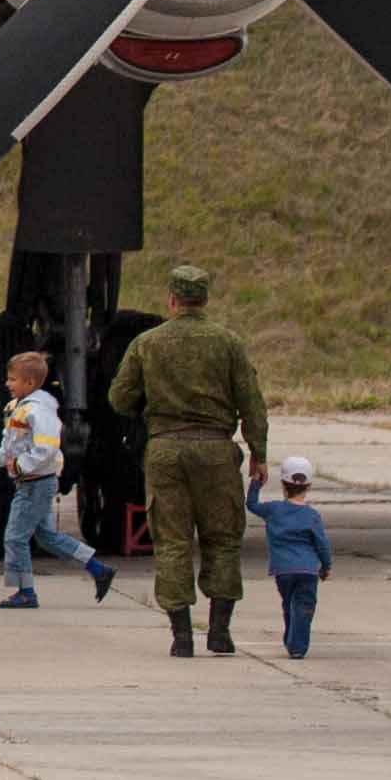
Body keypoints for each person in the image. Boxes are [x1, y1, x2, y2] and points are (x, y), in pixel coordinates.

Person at [106, 261, 270, 658]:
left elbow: (119, 399)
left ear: (172, 299)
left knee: (173, 541)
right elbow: (251, 402)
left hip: (165, 451)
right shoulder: (228, 342)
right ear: (205, 299)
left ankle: (181, 635)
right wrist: (259, 453)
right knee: (223, 539)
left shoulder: (147, 343)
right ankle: (219, 632)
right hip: (216, 451)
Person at [0, 343, 99, 607]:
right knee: (47, 537)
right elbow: (14, 443)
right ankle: (98, 568)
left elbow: (46, 448)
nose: (7, 383)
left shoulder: (39, 411)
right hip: (29, 482)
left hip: (36, 483)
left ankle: (26, 592)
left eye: (12, 379)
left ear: (29, 382)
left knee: (15, 538)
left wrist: (20, 466)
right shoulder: (19, 407)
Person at [253, 452, 332, 660]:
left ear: (283, 484)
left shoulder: (273, 510)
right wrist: (326, 567)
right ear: (308, 486)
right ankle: (297, 646)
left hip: (283, 571)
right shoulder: (312, 516)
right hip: (307, 570)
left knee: (289, 605)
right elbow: (322, 545)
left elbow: (251, 505)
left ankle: (290, 639)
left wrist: (256, 483)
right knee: (304, 607)